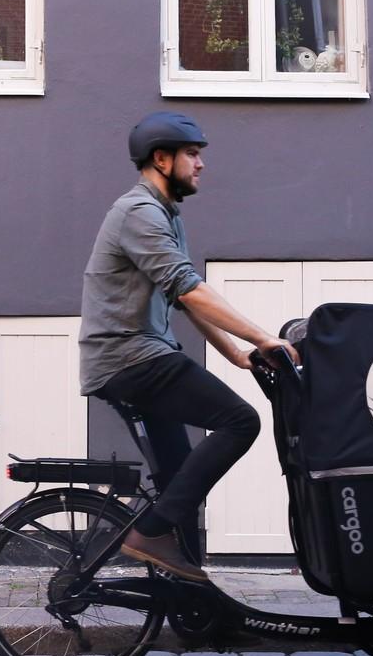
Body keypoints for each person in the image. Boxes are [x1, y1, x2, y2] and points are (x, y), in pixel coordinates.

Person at [78, 111, 296, 583]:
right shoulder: (139, 213)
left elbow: (183, 297)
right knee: (240, 421)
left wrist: (238, 355)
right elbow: (189, 289)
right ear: (162, 159)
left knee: (180, 483)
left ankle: (191, 599)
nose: (201, 164)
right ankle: (149, 535)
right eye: (192, 154)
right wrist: (262, 337)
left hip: (135, 355)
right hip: (131, 356)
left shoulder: (165, 215)